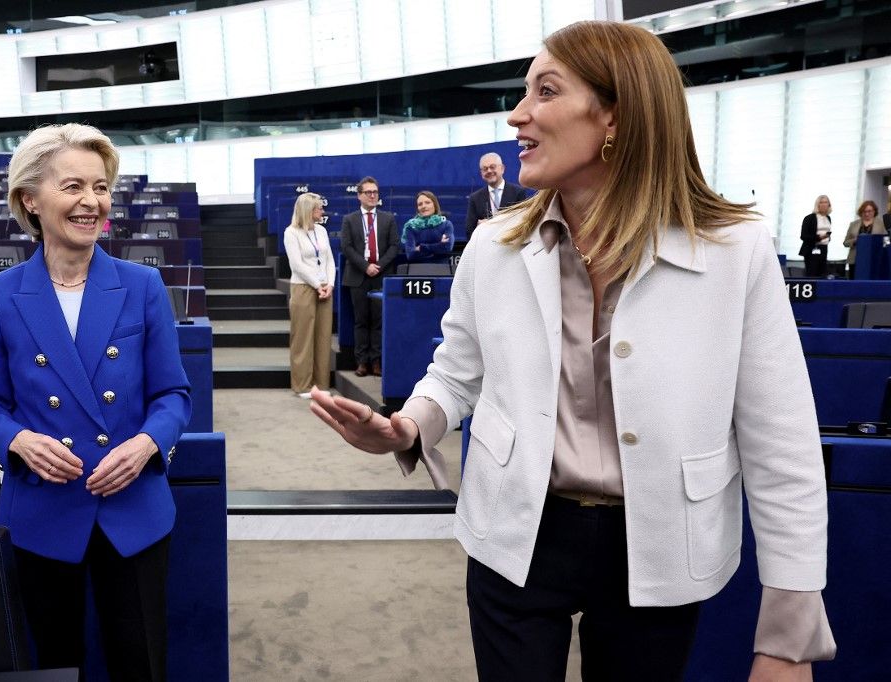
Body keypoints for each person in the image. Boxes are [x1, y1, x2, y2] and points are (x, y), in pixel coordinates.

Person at [311, 20, 834, 681]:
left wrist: (788, 636)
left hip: (661, 542)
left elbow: (780, 442)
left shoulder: (736, 252)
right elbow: (456, 371)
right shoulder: (494, 244)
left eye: (545, 91)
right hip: (517, 529)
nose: (517, 114)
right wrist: (410, 426)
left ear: (614, 114)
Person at [0, 123, 192, 681]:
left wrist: (145, 445)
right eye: (72, 187)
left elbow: (173, 395)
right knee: (56, 666)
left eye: (101, 187)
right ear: (30, 201)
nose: (92, 202)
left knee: (141, 665)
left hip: (132, 509)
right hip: (43, 511)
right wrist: (16, 439)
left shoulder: (142, 286)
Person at [340, 176, 399, 377]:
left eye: (375, 192)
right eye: (368, 192)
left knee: (379, 322)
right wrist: (366, 267)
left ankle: (377, 362)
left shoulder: (388, 218)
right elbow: (346, 247)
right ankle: (362, 362)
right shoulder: (349, 219)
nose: (372, 195)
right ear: (359, 196)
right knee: (361, 321)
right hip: (358, 275)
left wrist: (379, 266)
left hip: (381, 276)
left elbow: (394, 246)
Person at [284, 192, 335, 398]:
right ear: (308, 210)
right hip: (304, 287)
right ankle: (302, 385)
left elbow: (330, 259)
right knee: (303, 337)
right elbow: (297, 264)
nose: (322, 211)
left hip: (324, 287)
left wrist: (329, 283)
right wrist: (316, 284)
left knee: (323, 336)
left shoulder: (321, 231)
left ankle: (321, 384)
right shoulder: (291, 232)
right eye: (318, 208)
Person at [464, 152, 526, 238]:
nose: (489, 171)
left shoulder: (518, 192)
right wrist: (480, 229)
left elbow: (524, 223)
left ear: (502, 169)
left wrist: (489, 225)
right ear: (481, 173)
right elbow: (469, 231)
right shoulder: (475, 198)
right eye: (485, 169)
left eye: (492, 167)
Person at [402, 190, 455, 262]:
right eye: (420, 204)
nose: (424, 206)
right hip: (417, 270)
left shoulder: (446, 224)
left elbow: (447, 247)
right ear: (417, 208)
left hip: (442, 270)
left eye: (427, 202)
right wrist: (439, 246)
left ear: (435, 205)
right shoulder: (411, 227)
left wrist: (421, 248)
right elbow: (411, 254)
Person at [844, 199, 888, 279]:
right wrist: (854, 241)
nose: (867, 214)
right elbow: (845, 242)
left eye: (869, 211)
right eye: (864, 211)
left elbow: (886, 240)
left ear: (874, 211)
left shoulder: (880, 224)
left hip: (874, 259)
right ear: (861, 212)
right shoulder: (854, 224)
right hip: (855, 259)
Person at [799, 195, 833, 277]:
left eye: (826, 202)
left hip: (824, 248)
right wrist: (818, 238)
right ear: (817, 204)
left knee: (822, 273)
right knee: (812, 273)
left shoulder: (828, 218)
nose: (824, 204)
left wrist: (827, 237)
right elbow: (803, 236)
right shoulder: (809, 218)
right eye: (821, 202)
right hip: (812, 248)